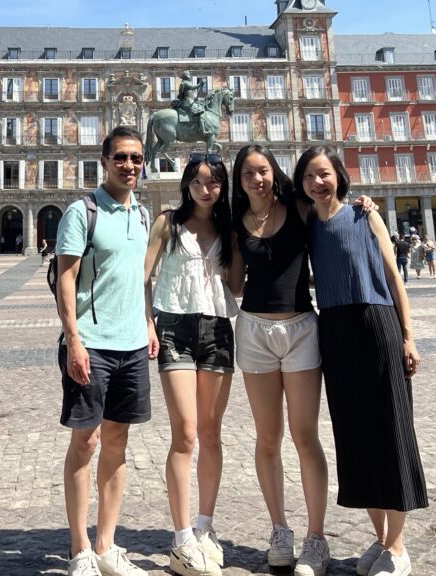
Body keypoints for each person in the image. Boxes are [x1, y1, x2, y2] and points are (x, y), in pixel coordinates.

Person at [295, 145, 428, 576]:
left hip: (377, 321)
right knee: (354, 436)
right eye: (310, 176)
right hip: (334, 331)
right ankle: (381, 538)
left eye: (324, 174)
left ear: (339, 175)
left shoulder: (363, 214)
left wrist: (408, 337)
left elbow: (393, 277)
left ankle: (399, 545)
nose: (318, 182)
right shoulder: (307, 223)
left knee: (390, 428)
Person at [54, 126, 153, 576]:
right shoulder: (82, 212)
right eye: (121, 158)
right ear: (105, 161)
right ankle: (79, 550)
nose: (129, 165)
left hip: (131, 345)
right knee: (86, 442)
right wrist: (73, 339)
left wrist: (149, 323)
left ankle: (106, 546)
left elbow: (137, 278)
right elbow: (67, 278)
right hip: (91, 346)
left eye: (135, 158)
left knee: (117, 444)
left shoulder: (144, 215)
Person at [230, 143, 330, 576]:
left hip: (301, 328)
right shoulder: (236, 222)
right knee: (267, 437)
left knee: (305, 435)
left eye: (264, 171)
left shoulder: (299, 207)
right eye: (249, 173)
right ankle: (279, 529)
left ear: (275, 174)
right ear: (240, 180)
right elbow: (235, 281)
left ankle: (316, 537)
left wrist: (363, 204)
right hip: (253, 331)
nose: (257, 179)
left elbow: (332, 204)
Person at [144, 153, 240, 576]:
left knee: (211, 433)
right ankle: (181, 536)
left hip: (218, 327)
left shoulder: (229, 229)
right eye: (199, 181)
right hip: (174, 327)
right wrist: (148, 322)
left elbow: (236, 285)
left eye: (214, 182)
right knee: (184, 432)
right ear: (187, 185)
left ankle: (205, 527)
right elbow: (143, 276)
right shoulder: (167, 223)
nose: (206, 189)